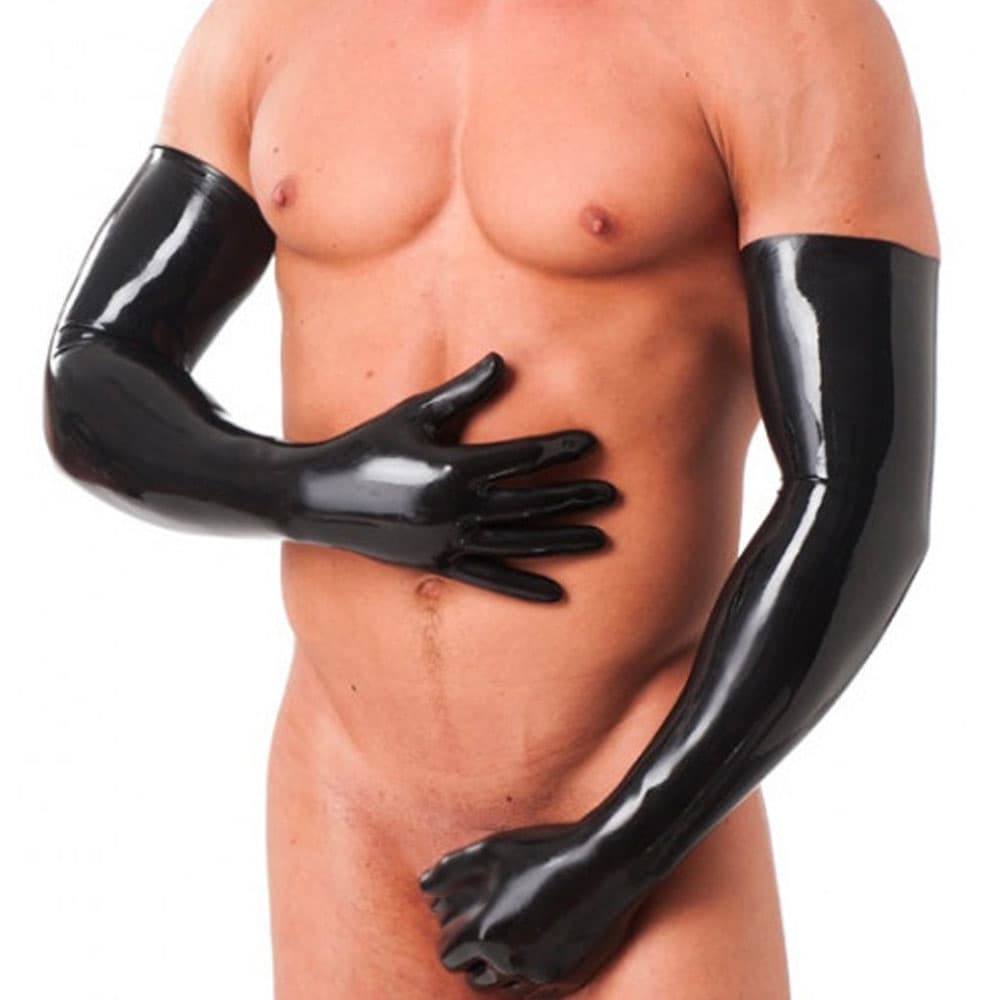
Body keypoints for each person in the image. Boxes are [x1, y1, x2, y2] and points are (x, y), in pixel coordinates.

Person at [42, 0, 939, 996]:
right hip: (348, 805)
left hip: (632, 798)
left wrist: (624, 848)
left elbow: (859, 495)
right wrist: (312, 489)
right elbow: (92, 372)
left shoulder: (779, 30)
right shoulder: (271, 26)